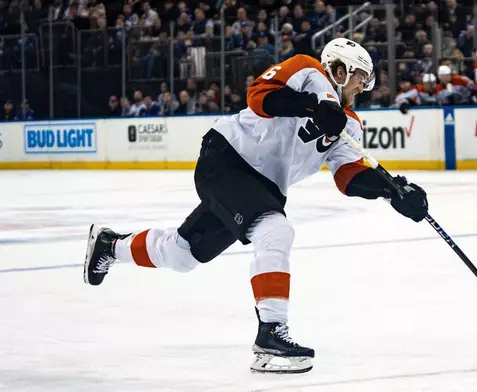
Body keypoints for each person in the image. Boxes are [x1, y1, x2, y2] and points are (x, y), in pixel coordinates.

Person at [82, 38, 428, 374]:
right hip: (228, 160)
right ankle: (271, 335)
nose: (361, 89)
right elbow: (259, 95)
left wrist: (392, 190)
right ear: (340, 69)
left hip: (259, 186)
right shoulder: (307, 69)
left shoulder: (348, 124)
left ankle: (111, 246)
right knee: (276, 230)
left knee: (182, 254)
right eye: (359, 80)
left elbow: (349, 176)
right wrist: (312, 106)